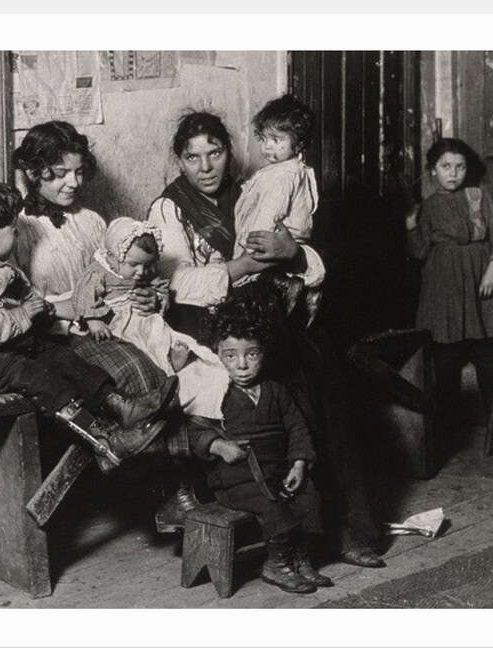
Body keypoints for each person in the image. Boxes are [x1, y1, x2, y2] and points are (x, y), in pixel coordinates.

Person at [148, 110, 385, 568]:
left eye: (214, 153)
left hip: (269, 319)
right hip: (205, 328)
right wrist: (246, 267)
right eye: (192, 157)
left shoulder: (261, 187)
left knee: (327, 385)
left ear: (229, 152)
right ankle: (301, 537)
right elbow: (177, 284)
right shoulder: (169, 208)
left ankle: (352, 529)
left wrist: (294, 253)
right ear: (180, 160)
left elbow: (315, 262)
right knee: (280, 386)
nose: (205, 166)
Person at [10, 121, 199, 531]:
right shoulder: (19, 228)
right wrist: (74, 312)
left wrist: (150, 297)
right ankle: (171, 490)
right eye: (59, 174)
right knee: (139, 369)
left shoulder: (94, 221)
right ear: (32, 171)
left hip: (113, 323)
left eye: (78, 171)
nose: (73, 182)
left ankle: (181, 490)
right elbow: (21, 302)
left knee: (175, 366)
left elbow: (127, 274)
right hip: (57, 335)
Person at [0, 177, 176, 472]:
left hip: (8, 350)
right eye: (13, 229)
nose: (18, 234)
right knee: (41, 376)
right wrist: (23, 314)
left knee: (63, 357)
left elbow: (39, 308)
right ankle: (103, 440)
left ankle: (122, 406)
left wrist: (80, 309)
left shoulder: (2, 268)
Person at [189, 295, 333, 594]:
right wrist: (218, 446)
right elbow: (193, 431)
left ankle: (299, 559)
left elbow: (297, 427)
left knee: (309, 499)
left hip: (276, 470)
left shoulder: (275, 390)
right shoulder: (215, 392)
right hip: (236, 477)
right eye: (230, 356)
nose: (242, 365)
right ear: (216, 355)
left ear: (264, 352)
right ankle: (276, 564)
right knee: (272, 507)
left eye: (252, 354)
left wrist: (298, 463)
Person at [71, 217, 230, 419]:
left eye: (146, 265)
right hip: (118, 322)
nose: (140, 272)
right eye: (133, 265)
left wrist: (158, 294)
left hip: (142, 318)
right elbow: (82, 295)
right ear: (112, 256)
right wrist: (93, 320)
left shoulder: (140, 270)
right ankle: (166, 369)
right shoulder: (98, 272)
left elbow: (158, 284)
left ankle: (172, 360)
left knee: (161, 334)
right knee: (142, 345)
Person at [405, 138, 493, 434]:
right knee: (446, 352)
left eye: (460, 166)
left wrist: (492, 271)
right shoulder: (427, 207)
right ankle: (448, 419)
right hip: (443, 285)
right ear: (432, 171)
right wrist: (411, 226)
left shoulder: (478, 196)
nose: (453, 173)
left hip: (481, 279)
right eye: (446, 166)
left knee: (485, 349)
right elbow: (420, 253)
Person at [232, 94, 322, 323]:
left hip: (273, 240)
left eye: (276, 138)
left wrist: (249, 247)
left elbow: (269, 212)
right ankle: (304, 294)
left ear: (299, 142)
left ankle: (287, 289)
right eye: (263, 138)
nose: (267, 146)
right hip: (293, 242)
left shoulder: (281, 176)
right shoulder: (296, 169)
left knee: (255, 285)